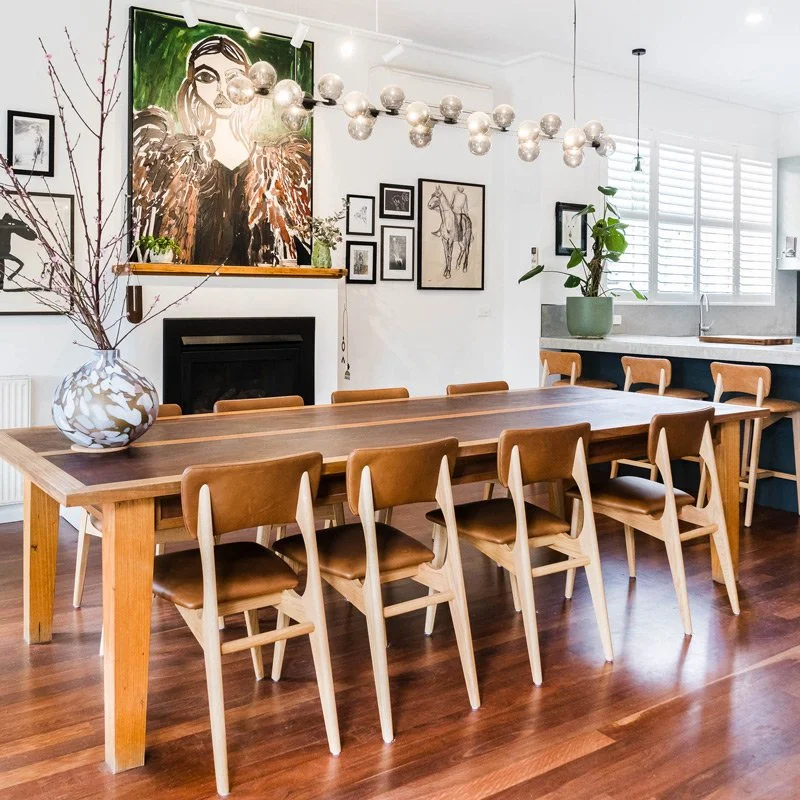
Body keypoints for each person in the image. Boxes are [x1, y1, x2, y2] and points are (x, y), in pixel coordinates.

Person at [131, 34, 311, 266]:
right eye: (206, 77)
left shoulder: (274, 165)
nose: (222, 89)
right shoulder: (178, 160)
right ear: (193, 85)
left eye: (234, 78)